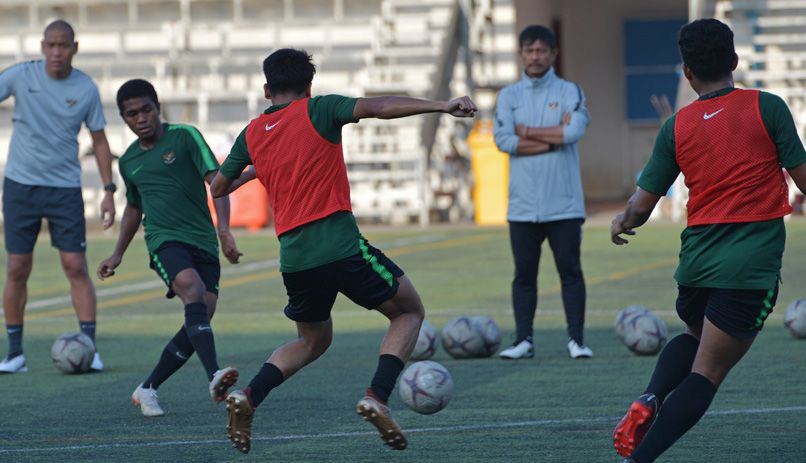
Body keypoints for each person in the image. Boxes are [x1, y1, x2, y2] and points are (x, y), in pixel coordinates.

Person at [209, 48, 476, 454]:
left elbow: (218, 187)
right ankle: (378, 395)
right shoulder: (320, 109)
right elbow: (379, 106)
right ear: (309, 86)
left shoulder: (251, 134)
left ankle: (249, 395)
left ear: (266, 90)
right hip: (339, 245)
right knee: (409, 312)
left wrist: (258, 168)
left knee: (312, 340)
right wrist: (441, 105)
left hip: (295, 259)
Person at [610, 19, 806, 463]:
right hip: (747, 269)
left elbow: (641, 206)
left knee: (696, 335)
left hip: (695, 268)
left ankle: (650, 396)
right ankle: (641, 458)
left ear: (687, 73)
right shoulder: (767, 108)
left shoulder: (676, 127)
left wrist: (621, 221)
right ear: (735, 61)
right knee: (707, 375)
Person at [97, 79, 243, 416]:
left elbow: (217, 181)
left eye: (146, 109)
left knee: (201, 314)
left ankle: (147, 388)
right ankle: (214, 375)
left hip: (203, 239)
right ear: (124, 118)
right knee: (192, 289)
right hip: (163, 240)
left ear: (157, 107)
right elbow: (134, 207)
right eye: (132, 114)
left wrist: (224, 231)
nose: (141, 118)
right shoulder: (129, 161)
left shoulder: (186, 136)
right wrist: (117, 253)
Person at [0, 20, 116, 374]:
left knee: (75, 267)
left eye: (64, 45)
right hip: (20, 186)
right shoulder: (21, 76)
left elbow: (100, 141)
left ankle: (90, 347)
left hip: (64, 189)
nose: (57, 52)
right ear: (43, 47)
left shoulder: (86, 88)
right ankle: (15, 354)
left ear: (75, 47)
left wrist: (108, 190)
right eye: (51, 45)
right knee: (16, 268)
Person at [492, 25, 593, 360]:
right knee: (524, 275)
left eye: (541, 50)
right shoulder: (509, 96)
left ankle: (577, 341)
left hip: (563, 204)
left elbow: (573, 132)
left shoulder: (569, 90)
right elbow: (504, 141)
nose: (535, 56)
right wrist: (551, 137)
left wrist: (528, 133)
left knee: (570, 271)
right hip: (522, 206)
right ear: (521, 54)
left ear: (553, 54)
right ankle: (524, 340)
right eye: (529, 50)